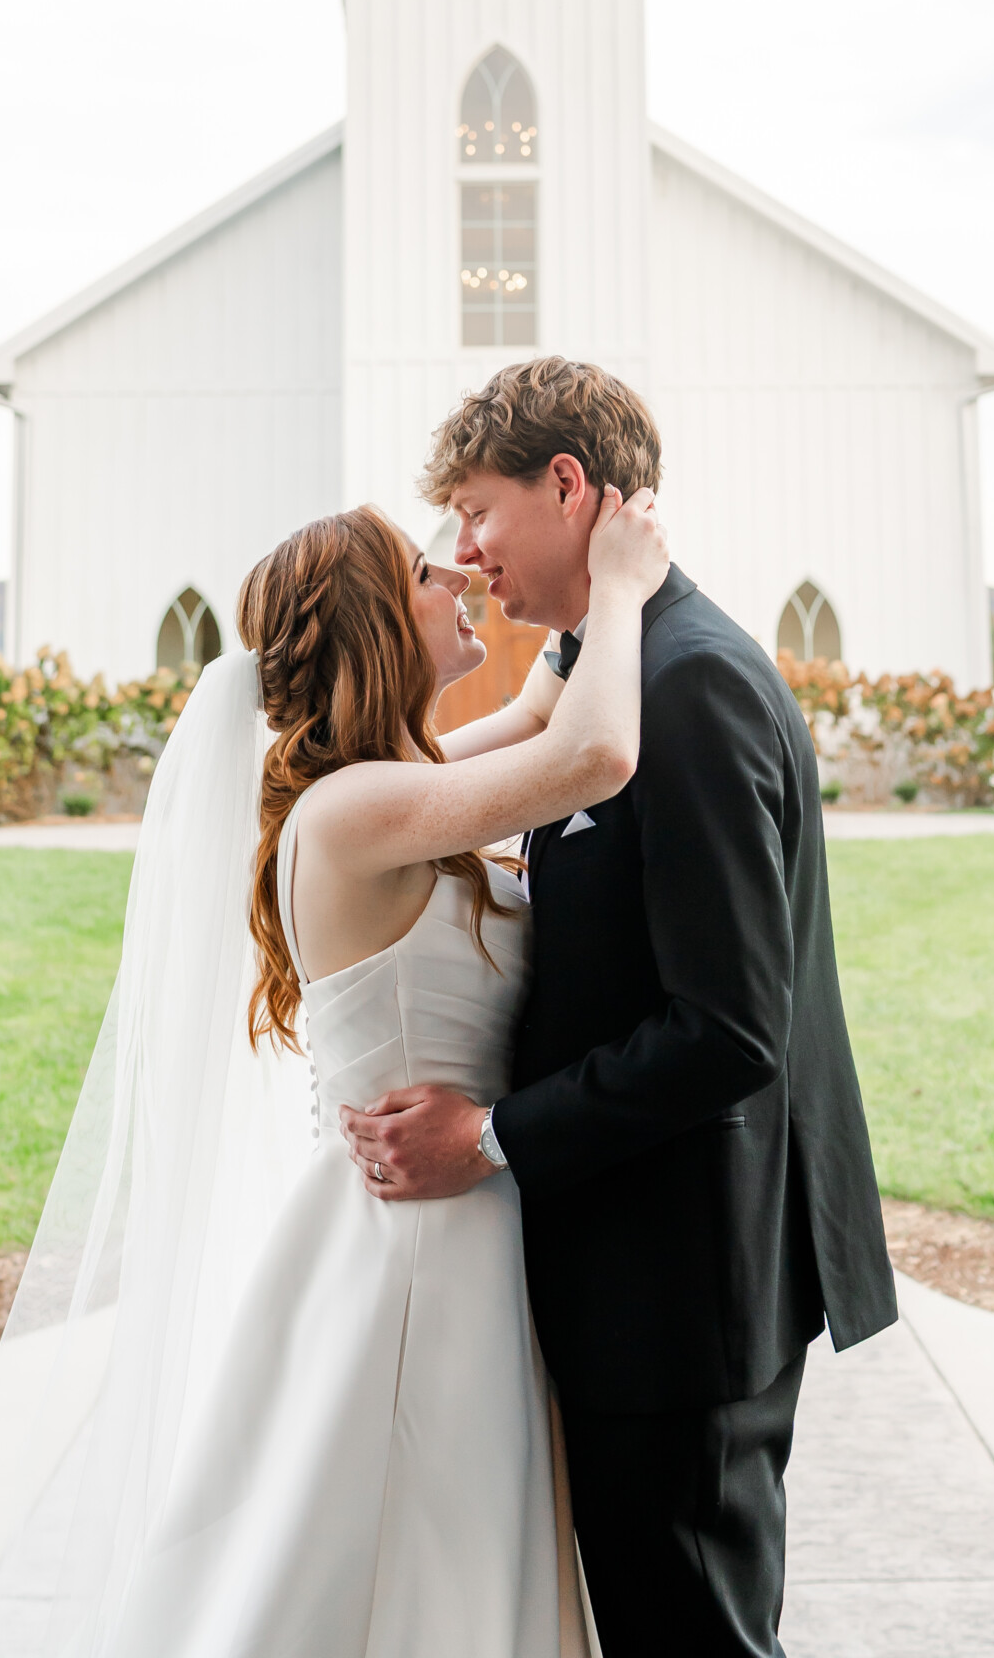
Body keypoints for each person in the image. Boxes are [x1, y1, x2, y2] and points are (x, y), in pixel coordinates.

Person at [0, 487, 667, 1658]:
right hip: (422, 1246)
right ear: (377, 617)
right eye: (431, 571)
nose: (460, 577)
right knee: (410, 1561)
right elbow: (595, 752)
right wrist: (621, 582)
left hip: (440, 1223)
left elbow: (536, 711)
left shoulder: (385, 785)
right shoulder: (357, 808)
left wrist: (575, 596)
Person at [340, 357, 897, 1658]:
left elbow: (729, 1028)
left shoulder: (688, 685)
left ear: (567, 486)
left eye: (476, 511)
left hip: (683, 1283)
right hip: (635, 1272)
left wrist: (485, 1136)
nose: (467, 551)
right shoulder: (614, 667)